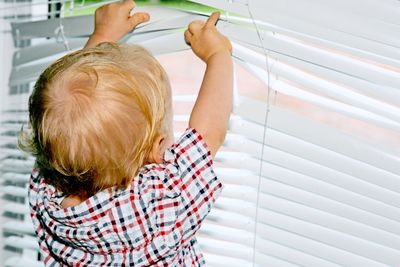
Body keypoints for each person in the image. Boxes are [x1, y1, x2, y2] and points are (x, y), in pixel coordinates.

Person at [21, 0, 232, 265]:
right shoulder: (159, 206)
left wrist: (102, 36)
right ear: (156, 148)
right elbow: (209, 132)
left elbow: (72, 116)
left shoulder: (45, 194)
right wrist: (218, 55)